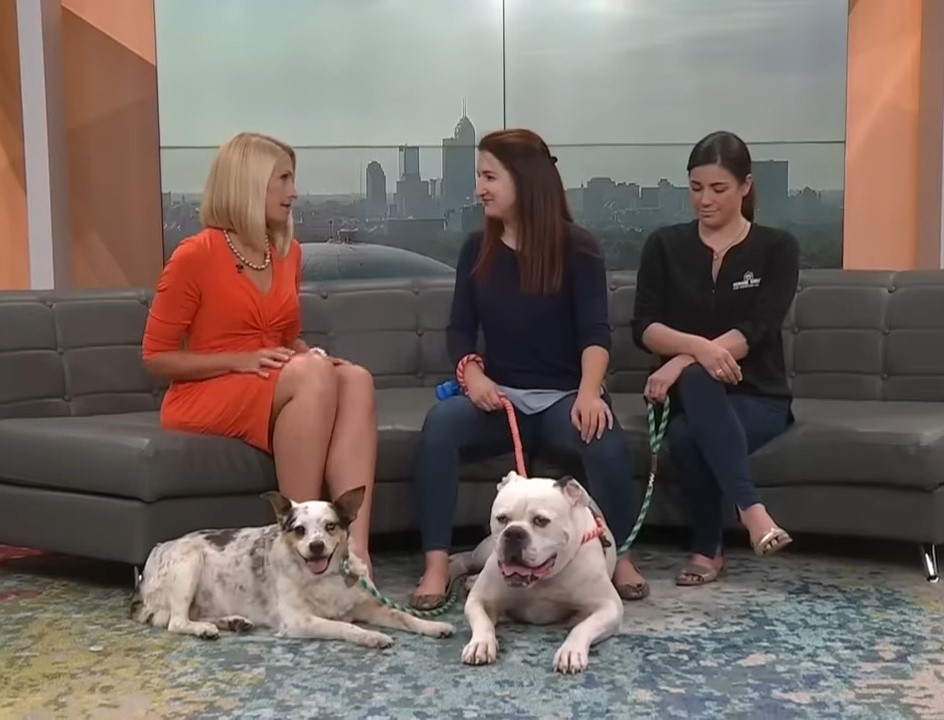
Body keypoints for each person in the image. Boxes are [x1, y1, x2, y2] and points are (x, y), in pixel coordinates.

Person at [410, 128, 649, 610]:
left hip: (564, 397)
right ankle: (436, 564)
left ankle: (620, 555)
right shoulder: (476, 248)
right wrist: (472, 377)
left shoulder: (578, 248)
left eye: (489, 176)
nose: (479, 188)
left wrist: (588, 393)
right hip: (500, 399)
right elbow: (460, 331)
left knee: (604, 436)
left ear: (524, 180)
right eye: (479, 175)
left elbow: (595, 335)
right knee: (440, 428)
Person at [142, 132, 378, 576]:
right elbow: (156, 357)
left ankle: (354, 557)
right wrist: (240, 360)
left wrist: (317, 357)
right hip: (205, 390)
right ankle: (293, 551)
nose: (294, 192)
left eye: (293, 179)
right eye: (283, 179)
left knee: (356, 378)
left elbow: (287, 340)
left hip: (274, 379)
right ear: (249, 184)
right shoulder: (195, 255)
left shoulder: (287, 253)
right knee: (311, 375)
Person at [631, 130, 800, 587]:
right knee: (701, 380)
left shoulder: (777, 248)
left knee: (687, 436)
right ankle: (754, 513)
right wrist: (700, 350)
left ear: (745, 186)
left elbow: (758, 331)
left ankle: (708, 549)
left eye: (718, 189)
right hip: (684, 395)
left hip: (758, 396)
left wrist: (682, 359)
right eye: (696, 188)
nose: (704, 200)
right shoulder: (664, 245)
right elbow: (643, 327)